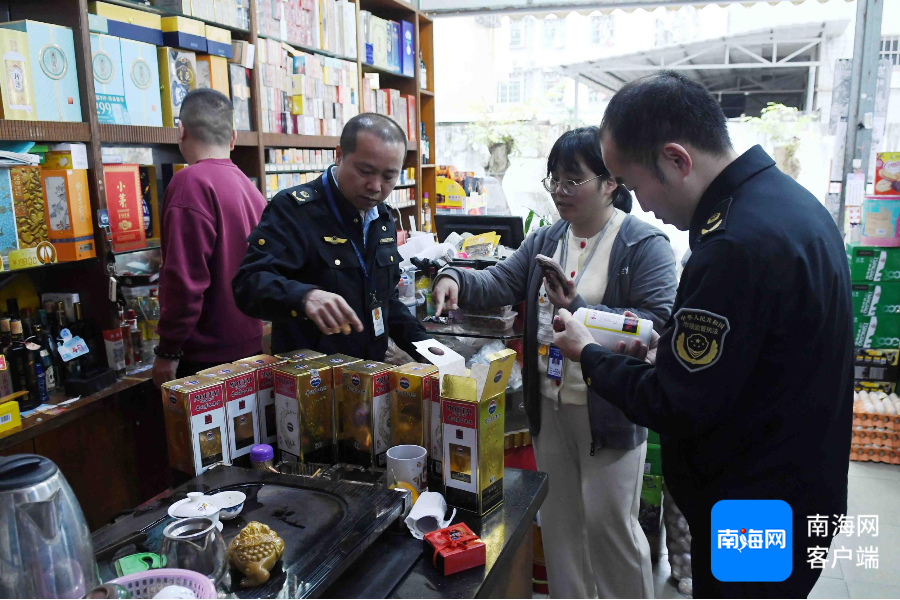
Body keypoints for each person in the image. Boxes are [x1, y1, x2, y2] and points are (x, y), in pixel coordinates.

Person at [551, 71, 853, 598]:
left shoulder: (734, 244)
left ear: (676, 159)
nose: (640, 204)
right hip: (794, 483)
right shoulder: (788, 204)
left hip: (755, 507)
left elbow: (676, 403)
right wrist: (670, 352)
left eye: (635, 183)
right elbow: (758, 356)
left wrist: (590, 353)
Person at [432, 127, 677, 599]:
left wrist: (581, 308)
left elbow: (655, 324)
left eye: (573, 180)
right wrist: (453, 279)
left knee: (611, 530)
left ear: (610, 183)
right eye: (554, 181)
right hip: (550, 403)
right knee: (560, 526)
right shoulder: (547, 238)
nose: (561, 192)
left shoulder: (644, 245)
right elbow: (500, 281)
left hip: (610, 410)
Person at [233, 113, 428, 359]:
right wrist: (304, 297)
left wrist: (428, 348)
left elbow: (385, 300)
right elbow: (248, 284)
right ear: (339, 155)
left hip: (370, 374)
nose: (376, 186)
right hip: (311, 380)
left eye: (389, 176)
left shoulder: (382, 217)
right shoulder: (294, 210)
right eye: (365, 171)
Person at [152, 89, 267, 387]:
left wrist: (167, 349)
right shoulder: (249, 187)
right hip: (250, 347)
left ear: (181, 131)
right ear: (233, 137)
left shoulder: (189, 183)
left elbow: (184, 281)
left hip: (205, 359)